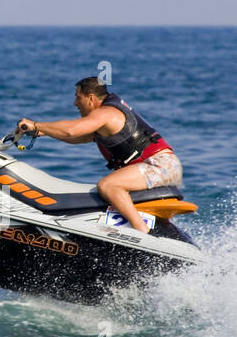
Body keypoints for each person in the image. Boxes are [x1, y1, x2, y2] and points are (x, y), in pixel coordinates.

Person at [17, 78, 182, 234]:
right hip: (162, 165)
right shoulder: (104, 119)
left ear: (90, 98)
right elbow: (76, 137)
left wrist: (37, 124)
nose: (75, 103)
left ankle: (141, 230)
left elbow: (72, 130)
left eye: (78, 98)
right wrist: (40, 132)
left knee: (108, 186)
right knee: (108, 189)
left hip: (160, 165)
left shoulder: (106, 113)